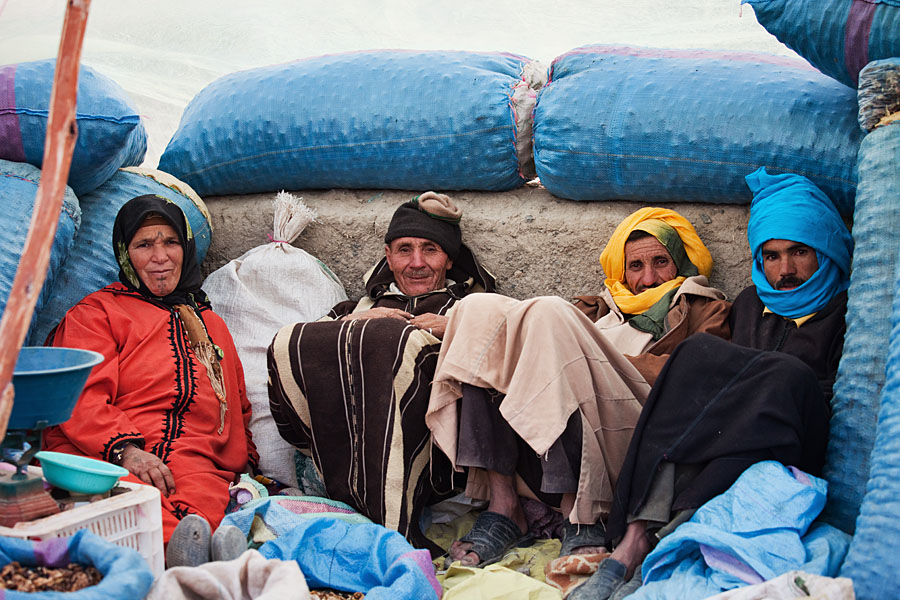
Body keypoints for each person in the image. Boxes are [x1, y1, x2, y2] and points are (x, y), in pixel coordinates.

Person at [577, 168, 853, 600]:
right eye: (772, 256)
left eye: (800, 252)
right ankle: (634, 541)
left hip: (795, 437)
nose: (785, 269)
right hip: (736, 438)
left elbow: (833, 399)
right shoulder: (748, 304)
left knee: (785, 375)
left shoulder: (845, 312)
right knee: (695, 358)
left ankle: (655, 540)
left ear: (826, 250)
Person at [425, 207, 731, 568]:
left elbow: (696, 376)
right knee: (478, 308)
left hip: (638, 430)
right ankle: (504, 504)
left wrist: (591, 359)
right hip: (563, 434)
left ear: (680, 263)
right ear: (621, 269)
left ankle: (583, 512)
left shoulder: (705, 308)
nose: (648, 279)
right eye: (635, 266)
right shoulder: (597, 307)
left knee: (549, 313)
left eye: (661, 262)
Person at [267, 192, 495, 553]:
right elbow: (295, 353)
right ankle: (355, 492)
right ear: (388, 257)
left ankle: (389, 520)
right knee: (290, 339)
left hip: (439, 466)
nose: (416, 263)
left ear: (449, 260)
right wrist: (358, 323)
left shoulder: (473, 308)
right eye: (404, 250)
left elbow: (510, 354)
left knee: (398, 344)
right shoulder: (352, 308)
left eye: (430, 250)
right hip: (346, 451)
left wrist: (454, 328)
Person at [42, 194, 257, 566]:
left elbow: (238, 407)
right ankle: (201, 563)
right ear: (126, 255)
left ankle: (199, 558)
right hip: (109, 453)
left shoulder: (212, 325)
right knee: (134, 504)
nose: (160, 257)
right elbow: (79, 396)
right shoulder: (97, 314)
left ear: (186, 249)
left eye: (170, 242)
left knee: (201, 507)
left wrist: (246, 464)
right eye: (144, 245)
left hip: (195, 462)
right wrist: (126, 451)